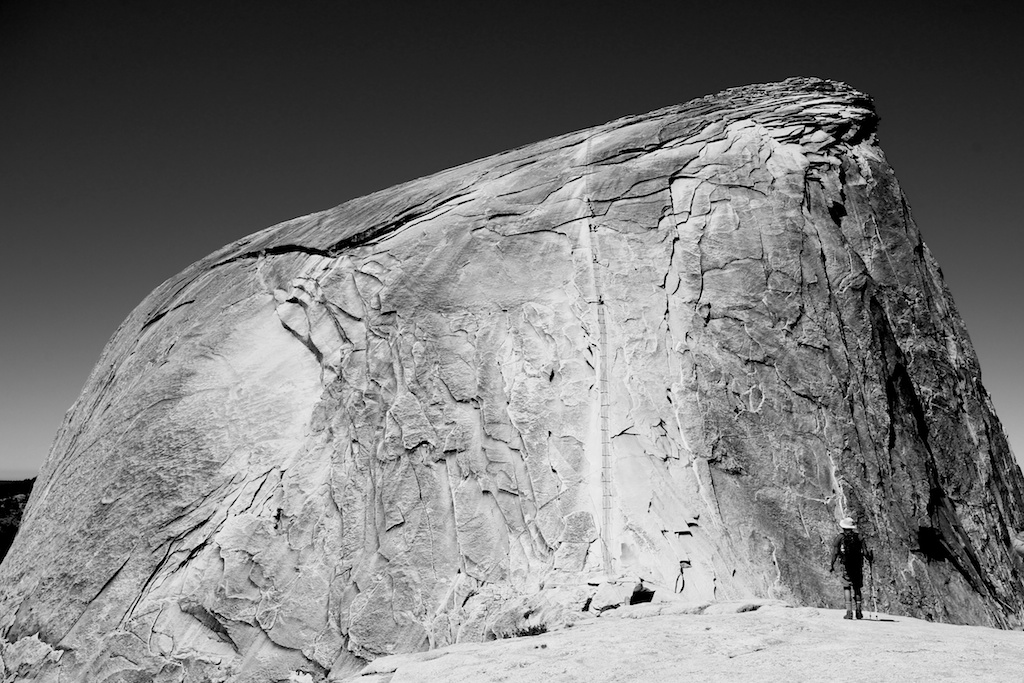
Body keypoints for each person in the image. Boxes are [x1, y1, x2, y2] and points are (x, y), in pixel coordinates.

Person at [829, 516, 873, 619]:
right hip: (857, 565)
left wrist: (832, 565)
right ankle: (858, 611)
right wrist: (869, 557)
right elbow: (865, 552)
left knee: (847, 587)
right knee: (857, 588)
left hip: (846, 565)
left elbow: (835, 553)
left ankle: (849, 612)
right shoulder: (859, 537)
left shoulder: (839, 538)